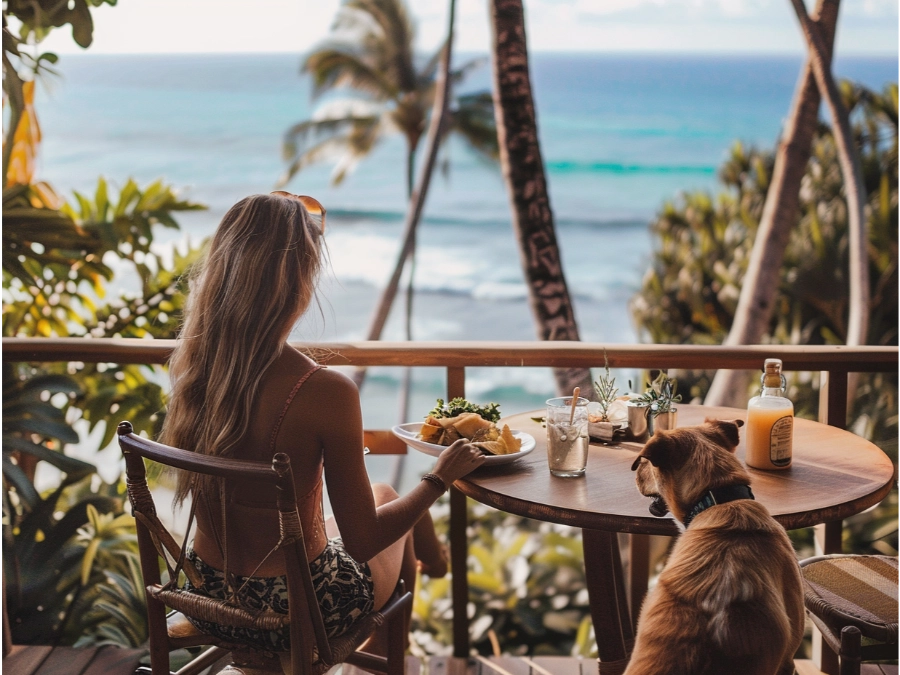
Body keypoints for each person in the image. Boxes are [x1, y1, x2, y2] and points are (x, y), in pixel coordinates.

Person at [159, 192, 484, 654]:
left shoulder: (195, 369)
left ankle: (433, 564)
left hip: (205, 592)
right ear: (299, 282)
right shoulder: (324, 391)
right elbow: (363, 538)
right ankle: (402, 649)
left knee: (383, 500)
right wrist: (439, 478)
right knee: (395, 516)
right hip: (299, 609)